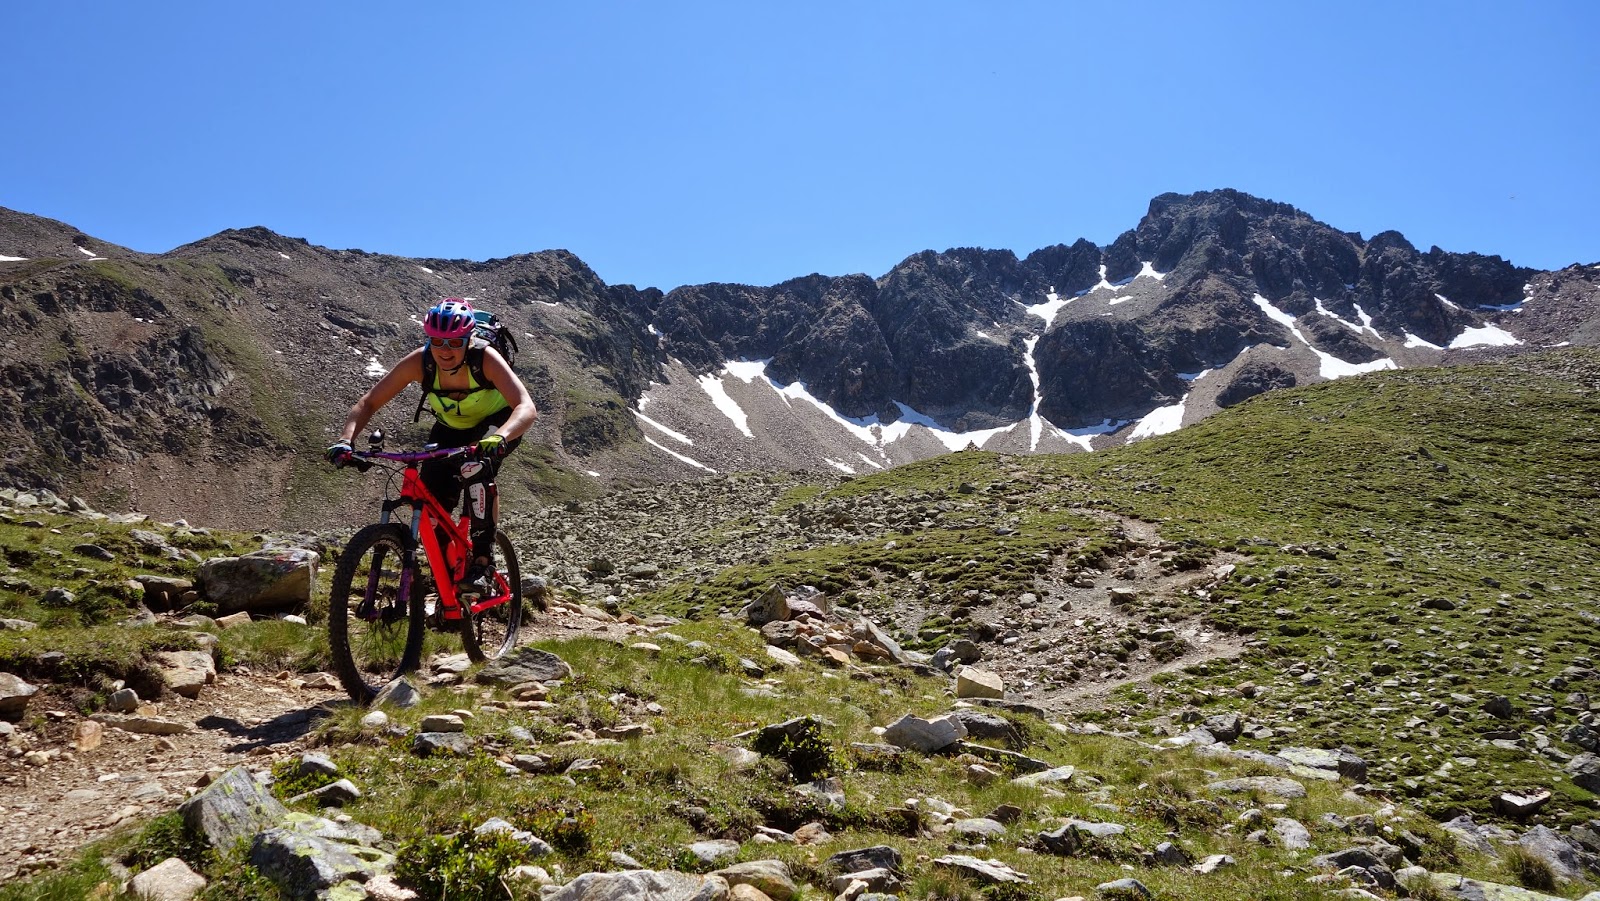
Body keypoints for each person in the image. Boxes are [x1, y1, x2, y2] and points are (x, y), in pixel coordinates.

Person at [325, 298, 537, 595]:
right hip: (450, 428)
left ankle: (482, 561)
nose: (445, 350)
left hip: (497, 424)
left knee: (476, 468)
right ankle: (448, 586)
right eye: (437, 341)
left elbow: (526, 407)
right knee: (429, 507)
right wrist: (346, 440)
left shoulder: (485, 358)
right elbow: (368, 402)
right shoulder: (419, 362)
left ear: (468, 340)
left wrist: (500, 437)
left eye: (454, 342)